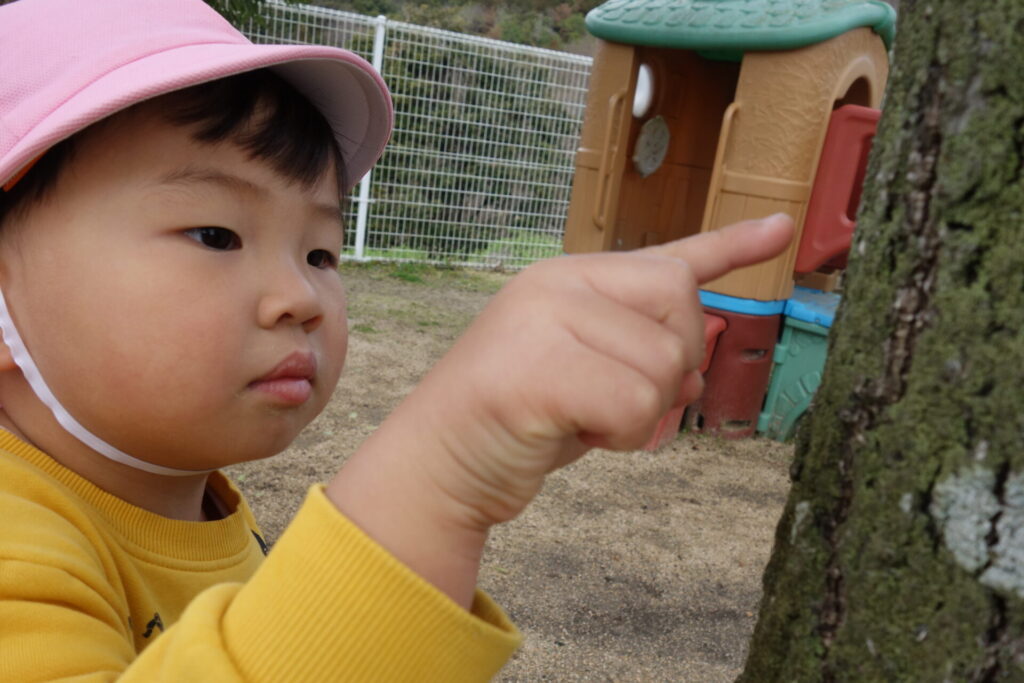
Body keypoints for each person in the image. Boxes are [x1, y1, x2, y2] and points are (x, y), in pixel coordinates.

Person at [0, 0, 795, 679]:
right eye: (216, 234)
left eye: (320, 253)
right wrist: (441, 474)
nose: (300, 297)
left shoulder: (186, 498)